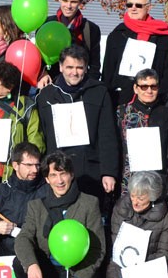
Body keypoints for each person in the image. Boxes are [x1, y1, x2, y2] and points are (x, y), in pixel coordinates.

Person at [14, 151, 105, 278]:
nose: (60, 180)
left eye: (63, 173)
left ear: (71, 175)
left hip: (77, 269)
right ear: (47, 179)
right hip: (51, 269)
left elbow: (97, 249)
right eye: (53, 175)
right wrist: (31, 265)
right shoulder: (36, 206)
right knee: (20, 262)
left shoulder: (88, 203)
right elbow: (23, 237)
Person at [35, 44, 120, 205]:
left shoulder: (99, 92)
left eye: (79, 68)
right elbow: (42, 135)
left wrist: (108, 172)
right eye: (69, 67)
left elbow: (107, 135)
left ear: (86, 68)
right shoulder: (46, 95)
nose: (74, 72)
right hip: (58, 172)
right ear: (60, 67)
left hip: (91, 170)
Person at [102, 171, 168, 278]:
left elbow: (163, 254)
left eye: (141, 198)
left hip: (148, 273)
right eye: (133, 196)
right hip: (123, 269)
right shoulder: (121, 209)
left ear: (153, 197)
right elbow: (114, 249)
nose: (135, 202)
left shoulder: (166, 217)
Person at [102, 0, 168, 107]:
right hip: (122, 100)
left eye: (138, 5)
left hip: (154, 100)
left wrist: (160, 95)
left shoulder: (163, 36)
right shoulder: (117, 35)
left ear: (148, 8)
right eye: (129, 5)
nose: (133, 8)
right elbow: (108, 71)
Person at [117, 68, 168, 193]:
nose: (149, 91)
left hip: (158, 178)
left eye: (153, 86)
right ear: (136, 88)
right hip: (129, 179)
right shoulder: (122, 112)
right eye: (144, 87)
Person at [0, 60, 44, 182]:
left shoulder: (27, 107)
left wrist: (23, 164)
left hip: (12, 174)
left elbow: (36, 144)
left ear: (9, 87)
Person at [42, 0, 101, 81]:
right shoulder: (46, 24)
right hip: (52, 83)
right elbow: (39, 56)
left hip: (80, 85)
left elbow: (94, 65)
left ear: (80, 2)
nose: (68, 6)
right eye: (65, 0)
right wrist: (42, 74)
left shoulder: (90, 29)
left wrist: (89, 88)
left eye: (73, 2)